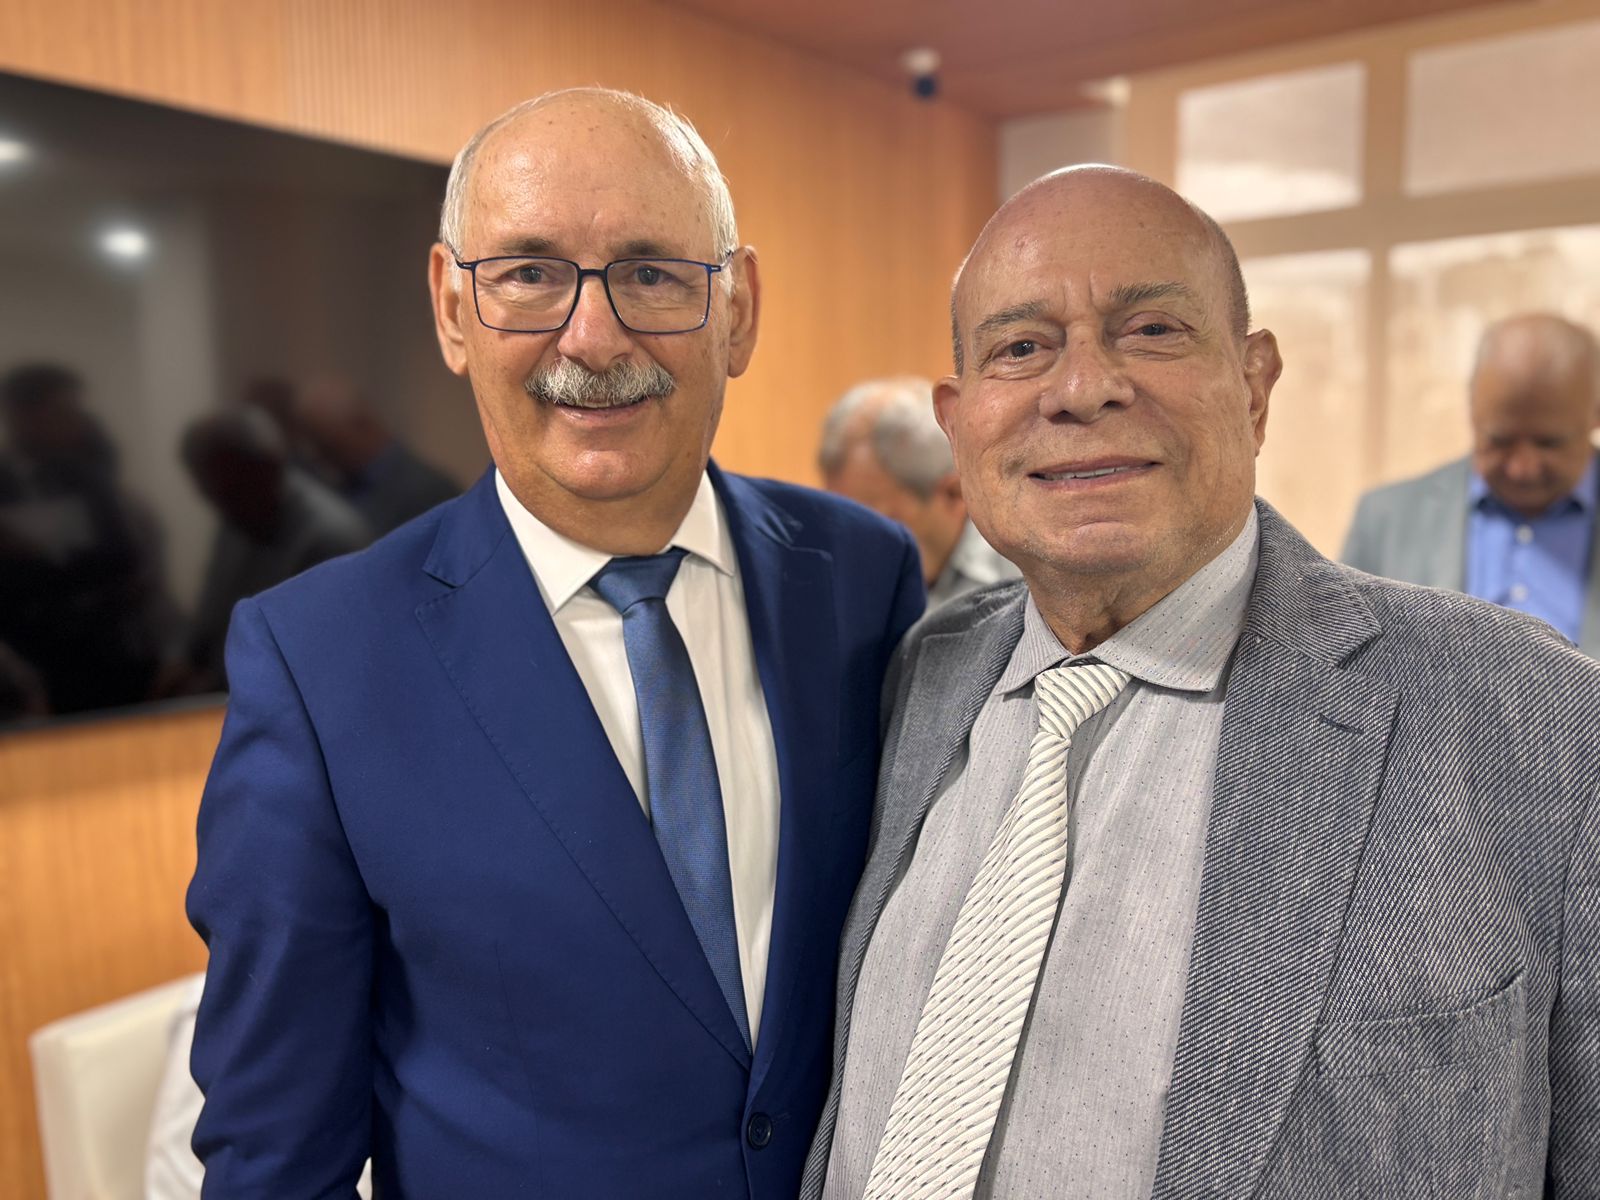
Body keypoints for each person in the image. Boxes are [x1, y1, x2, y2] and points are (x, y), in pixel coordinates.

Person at [802, 166, 1600, 1199]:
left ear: (1255, 387)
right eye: (1020, 348)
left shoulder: (1534, 720)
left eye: (1150, 331)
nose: (1081, 388)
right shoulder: (918, 675)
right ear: (958, 424)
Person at [187, 88, 923, 1200]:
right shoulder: (320, 661)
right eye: (529, 272)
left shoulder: (861, 574)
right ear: (451, 308)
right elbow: (276, 1152)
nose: (593, 336)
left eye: (652, 272)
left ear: (737, 310)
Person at [1342, 313, 1599, 655]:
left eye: (1549, 443)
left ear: (1595, 414)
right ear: (1473, 410)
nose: (1522, 468)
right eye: (1500, 440)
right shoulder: (1386, 520)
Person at [181, 407, 371, 689]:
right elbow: (211, 618)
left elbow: (319, 668)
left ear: (268, 468)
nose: (216, 503)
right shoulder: (236, 521)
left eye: (229, 489)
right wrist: (186, 663)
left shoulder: (331, 540)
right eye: (209, 491)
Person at [819, 376, 1017, 606]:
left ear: (955, 494)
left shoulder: (1028, 574)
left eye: (869, 523)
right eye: (839, 520)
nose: (849, 547)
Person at [294, 374, 461, 535]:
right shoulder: (339, 488)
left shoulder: (427, 490)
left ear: (360, 426)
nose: (317, 457)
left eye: (328, 446)